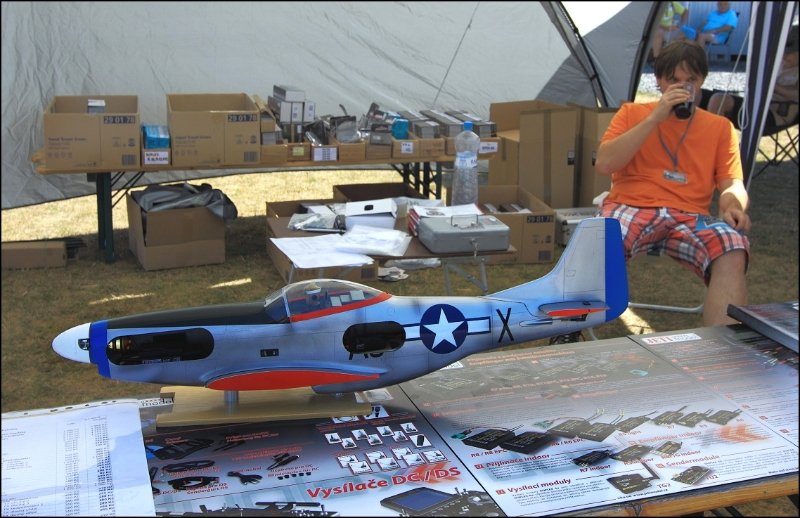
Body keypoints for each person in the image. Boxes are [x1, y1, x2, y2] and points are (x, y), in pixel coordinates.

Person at [595, 39, 751, 328]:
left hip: (690, 215)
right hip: (632, 205)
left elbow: (732, 183)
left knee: (732, 244)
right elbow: (604, 164)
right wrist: (654, 118)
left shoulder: (720, 128)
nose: (683, 87)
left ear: (702, 80)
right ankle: (573, 333)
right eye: (673, 80)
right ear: (659, 81)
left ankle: (725, 346)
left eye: (690, 80)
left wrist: (733, 206)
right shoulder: (632, 113)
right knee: (601, 239)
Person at [706, 29, 799, 129]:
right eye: (782, 52)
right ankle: (714, 136)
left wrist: (775, 88)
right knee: (717, 99)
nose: (783, 56)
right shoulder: (778, 63)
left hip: (776, 113)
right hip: (756, 105)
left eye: (788, 53)